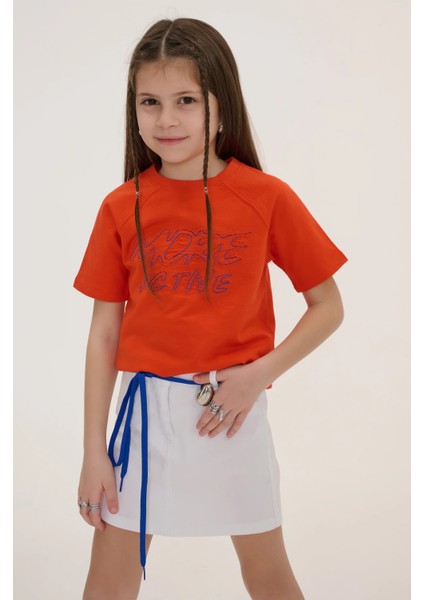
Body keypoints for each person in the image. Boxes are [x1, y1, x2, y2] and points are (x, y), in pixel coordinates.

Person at [74, 17, 348, 600]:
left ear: (221, 104)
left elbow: (328, 305)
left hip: (233, 420)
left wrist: (257, 376)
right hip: (144, 419)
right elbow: (103, 334)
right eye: (150, 102)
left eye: (186, 100)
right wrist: (93, 451)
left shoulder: (266, 197)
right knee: (107, 583)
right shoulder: (121, 206)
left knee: (268, 575)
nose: (166, 119)